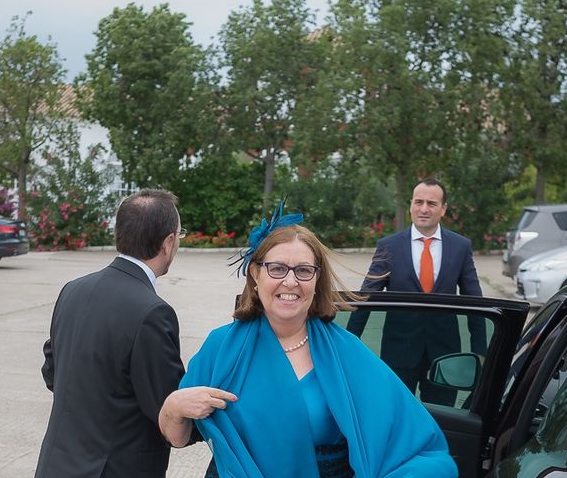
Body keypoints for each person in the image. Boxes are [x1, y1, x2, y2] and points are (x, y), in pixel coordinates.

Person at [159, 201, 458, 478]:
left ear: (316, 280)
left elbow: (414, 442)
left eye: (303, 270)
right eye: (276, 268)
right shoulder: (221, 347)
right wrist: (173, 406)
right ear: (254, 274)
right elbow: (179, 436)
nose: (290, 281)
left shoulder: (347, 352)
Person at [35, 189, 236, 478]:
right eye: (179, 234)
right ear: (168, 242)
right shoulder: (153, 312)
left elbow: (52, 371)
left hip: (58, 463)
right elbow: (165, 407)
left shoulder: (73, 289)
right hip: (115, 468)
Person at [346, 178, 486, 406]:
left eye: (431, 203)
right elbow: (367, 296)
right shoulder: (388, 246)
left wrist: (480, 351)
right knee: (395, 415)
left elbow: (475, 300)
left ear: (443, 209)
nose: (423, 209)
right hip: (398, 352)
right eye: (418, 202)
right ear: (410, 205)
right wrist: (349, 341)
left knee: (444, 420)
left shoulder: (460, 247)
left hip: (445, 355)